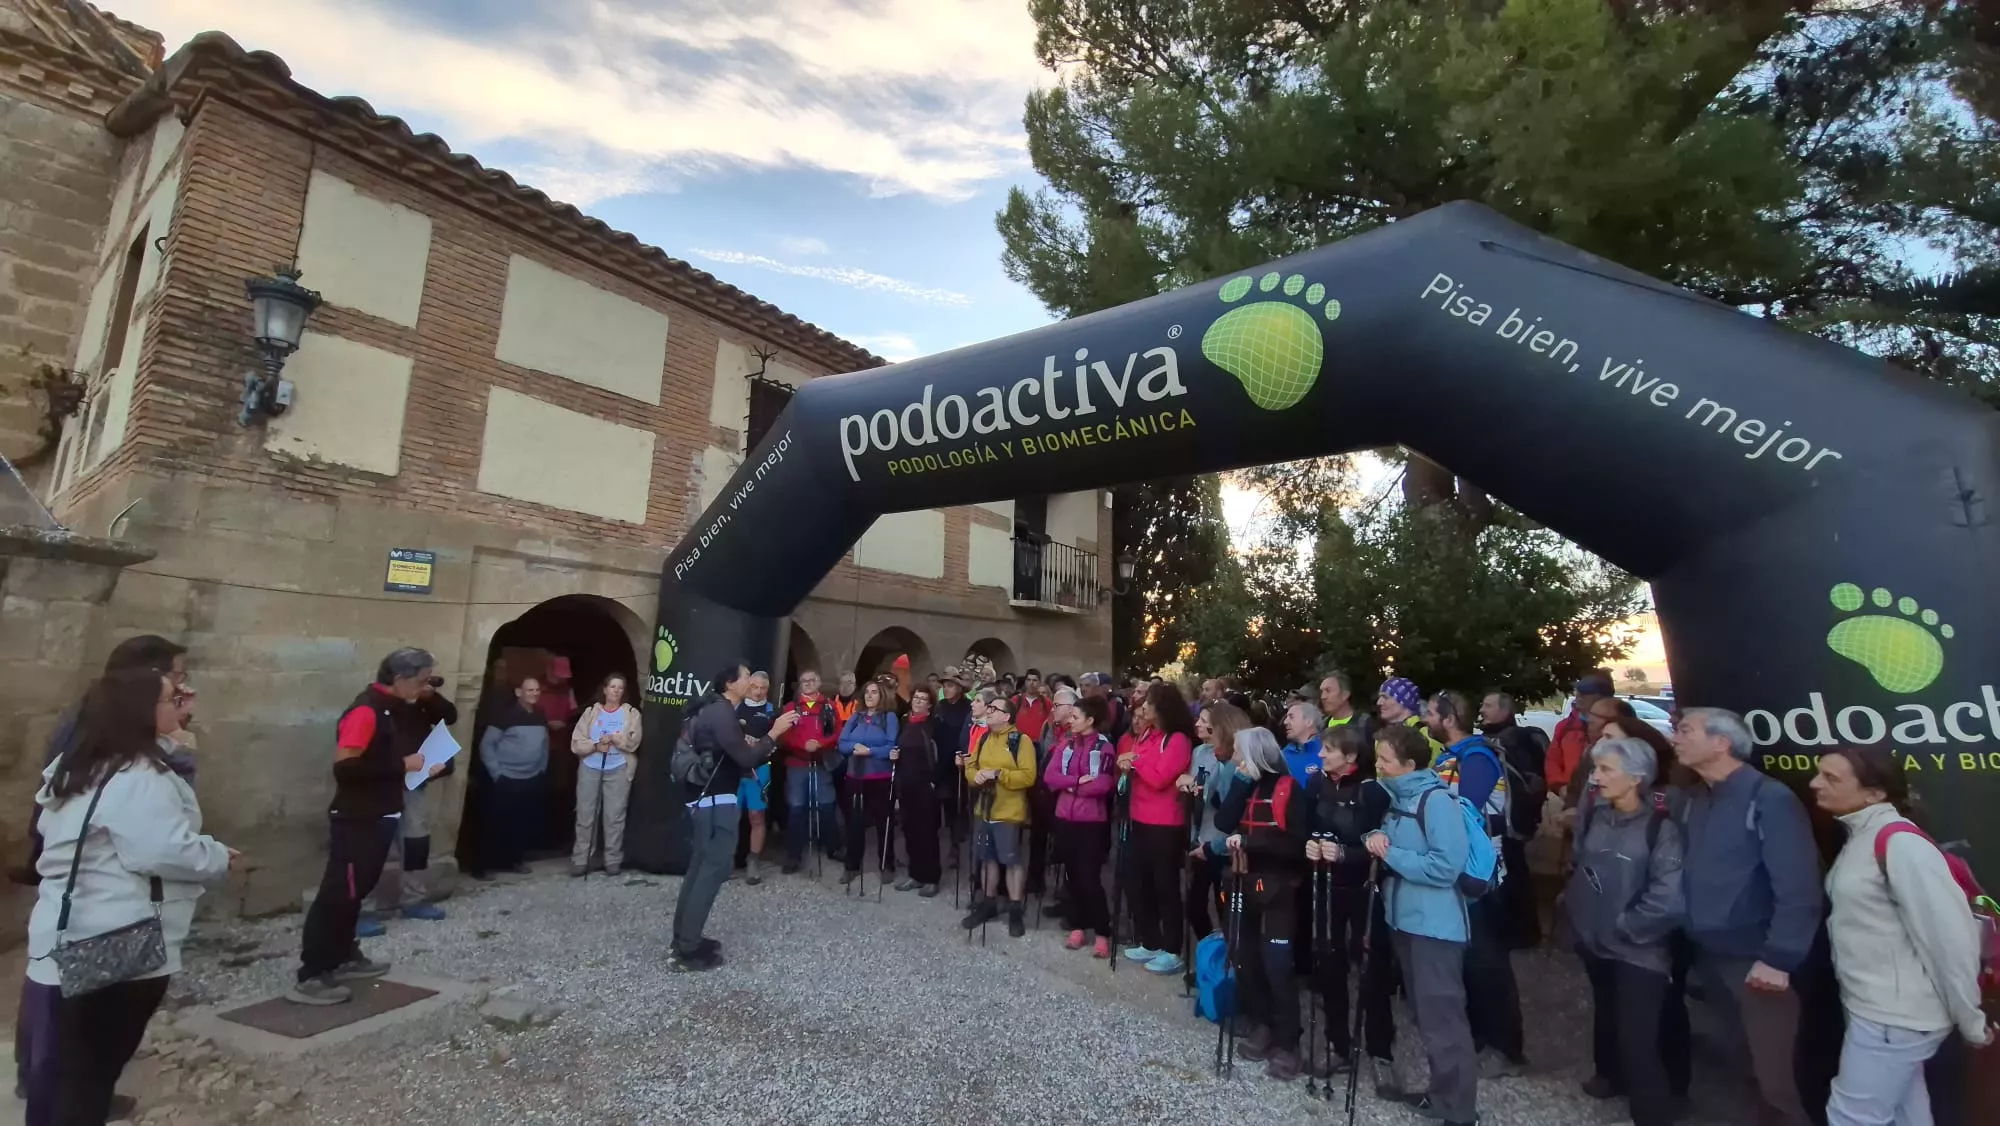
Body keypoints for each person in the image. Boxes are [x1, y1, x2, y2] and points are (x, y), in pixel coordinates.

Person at [21, 668, 233, 1126]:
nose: (183, 703)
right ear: (142, 711)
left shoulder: (79, 764)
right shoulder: (139, 775)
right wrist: (216, 855)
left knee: (64, 1070)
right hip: (117, 940)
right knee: (89, 1077)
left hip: (64, 933)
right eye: (173, 696)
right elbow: (161, 850)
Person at [12, 635, 188, 1115]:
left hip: (72, 914)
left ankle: (53, 1091)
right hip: (99, 921)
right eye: (175, 683)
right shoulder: (129, 766)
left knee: (66, 1036)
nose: (184, 692)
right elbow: (158, 847)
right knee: (76, 1051)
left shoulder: (97, 737)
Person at [1810, 745, 1992, 1126]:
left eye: (1831, 778)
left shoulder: (1900, 844)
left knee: (1851, 1116)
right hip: (1883, 1011)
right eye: (1818, 773)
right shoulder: (1862, 834)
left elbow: (1950, 941)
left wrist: (1970, 1019)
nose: (1814, 784)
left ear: (1874, 794)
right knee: (1908, 1114)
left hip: (1894, 1019)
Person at [1673, 707, 1823, 1126]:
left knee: (1777, 1075)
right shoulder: (1697, 799)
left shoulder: (1769, 798)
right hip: (1710, 954)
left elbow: (1798, 886)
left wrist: (1779, 957)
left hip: (1758, 960)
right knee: (1741, 1061)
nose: (1674, 738)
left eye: (1686, 730)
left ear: (1722, 742)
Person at [291, 648, 445, 1005]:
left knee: (355, 892)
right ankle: (313, 972)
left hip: (380, 814)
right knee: (337, 894)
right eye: (422, 681)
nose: (425, 689)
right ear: (400, 678)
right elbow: (345, 766)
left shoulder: (391, 708)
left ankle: (345, 954)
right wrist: (402, 765)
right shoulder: (366, 711)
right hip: (357, 818)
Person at [1566, 736, 1686, 1126]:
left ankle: (1652, 1113)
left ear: (1636, 778)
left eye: (1605, 770)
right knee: (1609, 1017)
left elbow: (1668, 898)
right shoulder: (1599, 816)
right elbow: (1584, 867)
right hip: (1596, 942)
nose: (1595, 778)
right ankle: (1610, 1077)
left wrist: (1626, 927)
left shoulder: (1661, 829)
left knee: (1639, 1041)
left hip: (1638, 950)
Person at [1365, 722, 1477, 1126]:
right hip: (1407, 921)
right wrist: (1376, 835)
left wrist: (1389, 854)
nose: (1378, 766)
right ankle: (1442, 1096)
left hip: (1435, 927)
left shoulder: (1436, 801)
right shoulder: (1400, 798)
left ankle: (1461, 1112)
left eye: (1385, 760)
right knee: (1429, 1019)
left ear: (1410, 764)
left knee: (1443, 1021)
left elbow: (1446, 866)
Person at [1424, 689, 1527, 1076]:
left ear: (1449, 719)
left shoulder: (1477, 757)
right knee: (1468, 958)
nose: (1427, 720)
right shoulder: (1448, 757)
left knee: (1489, 961)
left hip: (1482, 875)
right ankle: (1479, 1036)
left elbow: (1464, 814)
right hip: (1457, 872)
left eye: (1432, 713)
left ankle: (1505, 1047)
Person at [671, 664, 796, 971]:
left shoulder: (709, 710)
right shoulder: (722, 712)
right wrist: (775, 733)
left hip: (704, 799)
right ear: (730, 683)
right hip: (716, 801)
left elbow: (728, 753)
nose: (751, 680)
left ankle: (684, 938)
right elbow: (745, 757)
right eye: (745, 677)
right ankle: (688, 950)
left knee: (700, 866)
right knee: (714, 868)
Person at [1218, 726, 1312, 1080]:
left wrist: (1252, 842)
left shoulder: (1291, 790)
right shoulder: (1246, 786)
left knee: (1277, 964)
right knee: (1245, 957)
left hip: (1278, 889)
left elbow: (1296, 843)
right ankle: (1261, 1023)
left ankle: (1289, 1041)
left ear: (1257, 754)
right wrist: (1240, 784)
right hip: (1242, 883)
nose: (1237, 760)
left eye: (1242, 753)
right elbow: (1225, 822)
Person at [1306, 723, 1396, 1079]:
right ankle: (1337, 1044)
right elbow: (1306, 826)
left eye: (1328, 749)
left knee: (1372, 969)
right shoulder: (1317, 784)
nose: (1321, 755)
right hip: (1326, 885)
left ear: (1352, 757)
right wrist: (1308, 846)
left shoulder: (1374, 793)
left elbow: (1383, 845)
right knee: (1329, 966)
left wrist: (1346, 853)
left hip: (1364, 888)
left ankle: (1380, 1050)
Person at [361, 673, 458, 935]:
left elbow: (450, 715)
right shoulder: (376, 706)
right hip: (380, 785)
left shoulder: (424, 704)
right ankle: (362, 909)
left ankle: (413, 900)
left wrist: (430, 695)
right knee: (372, 848)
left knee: (416, 842)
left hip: (414, 784)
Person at [1118, 683, 1197, 975]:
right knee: (1139, 883)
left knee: (1165, 887)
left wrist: (1135, 764)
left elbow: (1161, 777)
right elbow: (1137, 765)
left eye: (1149, 703)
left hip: (1165, 823)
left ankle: (1172, 948)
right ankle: (1150, 940)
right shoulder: (1147, 735)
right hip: (1138, 817)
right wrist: (1130, 763)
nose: (1143, 708)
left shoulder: (1177, 739)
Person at [1046, 695, 1118, 955]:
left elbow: (1102, 784)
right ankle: (1077, 926)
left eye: (1075, 717)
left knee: (1089, 878)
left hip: (1091, 822)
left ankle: (1101, 931)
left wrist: (1071, 785)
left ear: (1090, 720)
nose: (1070, 720)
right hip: (1065, 817)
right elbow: (1050, 776)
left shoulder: (1104, 747)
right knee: (1072, 876)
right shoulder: (1066, 745)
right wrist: (1077, 782)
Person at [959, 695, 1037, 937]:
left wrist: (999, 774)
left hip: (1008, 811)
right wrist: (976, 776)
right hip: (984, 808)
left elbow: (1028, 776)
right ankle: (988, 902)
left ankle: (1015, 908)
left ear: (1007, 716)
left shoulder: (1020, 741)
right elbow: (971, 767)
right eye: (988, 707)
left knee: (1011, 861)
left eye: (994, 708)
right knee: (987, 858)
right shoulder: (983, 738)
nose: (989, 711)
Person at [1477, 691, 1547, 948]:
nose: (1482, 709)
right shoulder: (1508, 739)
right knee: (1515, 871)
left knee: (1512, 873)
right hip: (1513, 819)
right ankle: (1522, 931)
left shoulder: (1512, 741)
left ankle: (1517, 933)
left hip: (1507, 819)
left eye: (1488, 705)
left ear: (1505, 711)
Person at [1183, 703, 1252, 950]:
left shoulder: (1235, 761)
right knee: (1194, 905)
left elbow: (1228, 806)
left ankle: (1230, 964)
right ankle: (1210, 956)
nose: (1199, 724)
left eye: (1205, 720)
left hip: (1225, 843)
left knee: (1226, 909)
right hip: (1202, 835)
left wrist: (1203, 787)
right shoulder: (1200, 752)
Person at [570, 674, 642, 878]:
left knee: (614, 816)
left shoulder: (631, 714)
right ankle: (581, 859)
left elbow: (634, 741)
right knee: (586, 814)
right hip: (591, 766)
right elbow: (576, 742)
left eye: (620, 687)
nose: (616, 691)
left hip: (618, 767)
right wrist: (594, 745)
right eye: (612, 687)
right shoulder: (591, 712)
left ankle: (612, 859)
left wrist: (616, 740)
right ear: (604, 690)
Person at [478, 677, 550, 876]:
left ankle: (515, 860)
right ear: (519, 692)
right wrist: (497, 773)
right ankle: (482, 866)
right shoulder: (504, 716)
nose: (534, 694)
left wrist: (542, 768)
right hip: (506, 778)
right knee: (495, 822)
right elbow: (486, 745)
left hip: (531, 777)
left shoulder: (540, 715)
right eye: (530, 690)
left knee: (521, 823)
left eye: (537, 690)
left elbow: (544, 744)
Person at [778, 670, 842, 873]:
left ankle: (833, 847)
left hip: (821, 763)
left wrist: (820, 743)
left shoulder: (830, 707)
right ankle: (793, 855)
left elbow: (836, 731)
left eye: (812, 680)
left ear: (819, 682)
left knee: (826, 806)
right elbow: (784, 733)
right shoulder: (791, 707)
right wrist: (802, 744)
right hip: (797, 764)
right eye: (804, 681)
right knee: (796, 809)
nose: (808, 683)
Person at [838, 680, 899, 885]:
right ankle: (852, 866)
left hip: (879, 778)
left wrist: (870, 751)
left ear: (882, 695)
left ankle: (887, 864)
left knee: (883, 823)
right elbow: (842, 743)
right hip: (855, 776)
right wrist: (855, 746)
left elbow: (892, 746)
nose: (870, 696)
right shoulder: (856, 717)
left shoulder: (889, 718)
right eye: (867, 692)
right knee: (854, 823)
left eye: (874, 692)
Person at [891, 687, 943, 896]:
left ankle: (931, 877)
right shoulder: (904, 722)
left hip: (925, 784)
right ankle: (915, 874)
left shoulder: (936, 725)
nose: (918, 701)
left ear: (930, 704)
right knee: (909, 830)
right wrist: (894, 754)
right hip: (905, 783)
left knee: (927, 832)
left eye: (923, 699)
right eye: (916, 698)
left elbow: (945, 755)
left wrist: (934, 781)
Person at [732, 672, 777, 883]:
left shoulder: (771, 710)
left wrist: (759, 745)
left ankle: (753, 861)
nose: (758, 692)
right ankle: (725, 860)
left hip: (759, 770)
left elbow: (778, 741)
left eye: (763, 689)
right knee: (729, 816)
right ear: (748, 686)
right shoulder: (735, 706)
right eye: (755, 687)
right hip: (734, 768)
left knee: (756, 816)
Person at [1547, 677, 1611, 800]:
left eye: (1586, 693)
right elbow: (1552, 760)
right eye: (1578, 692)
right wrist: (1560, 787)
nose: (1579, 697)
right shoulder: (1565, 726)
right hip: (1570, 796)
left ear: (1603, 698)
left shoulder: (1616, 727)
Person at [1319, 671, 1377, 763]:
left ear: (1345, 695)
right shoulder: (1322, 726)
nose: (1323, 696)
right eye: (1322, 692)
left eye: (1328, 691)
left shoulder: (1364, 723)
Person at [1376, 677, 1442, 755]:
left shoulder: (1426, 735)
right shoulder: (1383, 734)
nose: (1379, 702)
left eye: (1385, 697)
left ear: (1404, 702)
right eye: (1379, 697)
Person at [1281, 701, 1325, 786]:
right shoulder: (1283, 755)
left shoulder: (1328, 750)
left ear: (1309, 721)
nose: (1285, 722)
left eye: (1291, 717)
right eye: (1286, 717)